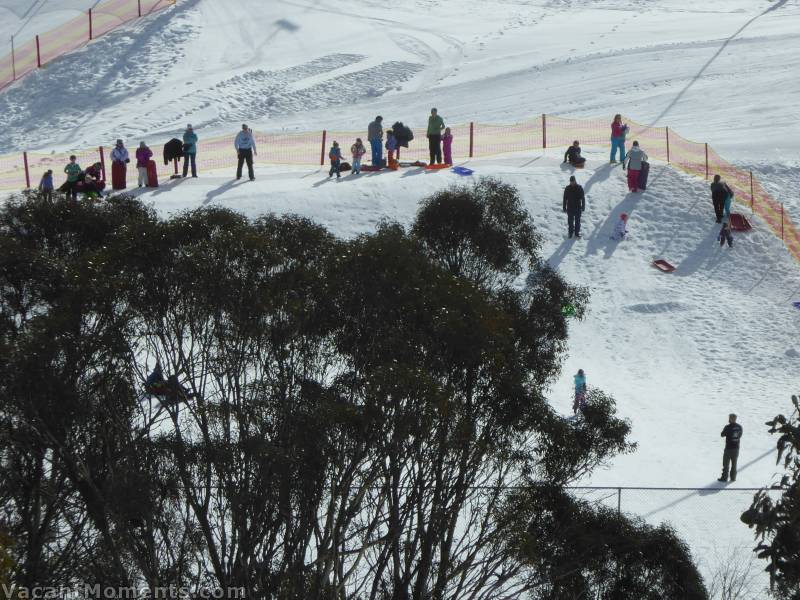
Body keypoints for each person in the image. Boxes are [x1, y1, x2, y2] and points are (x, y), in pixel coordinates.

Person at [718, 414, 742, 482]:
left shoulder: (728, 427)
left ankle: (724, 477)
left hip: (728, 448)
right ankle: (733, 478)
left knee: (726, 464)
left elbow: (722, 435)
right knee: (734, 464)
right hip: (736, 448)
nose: (729, 419)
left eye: (729, 418)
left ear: (731, 419)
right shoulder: (739, 427)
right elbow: (740, 435)